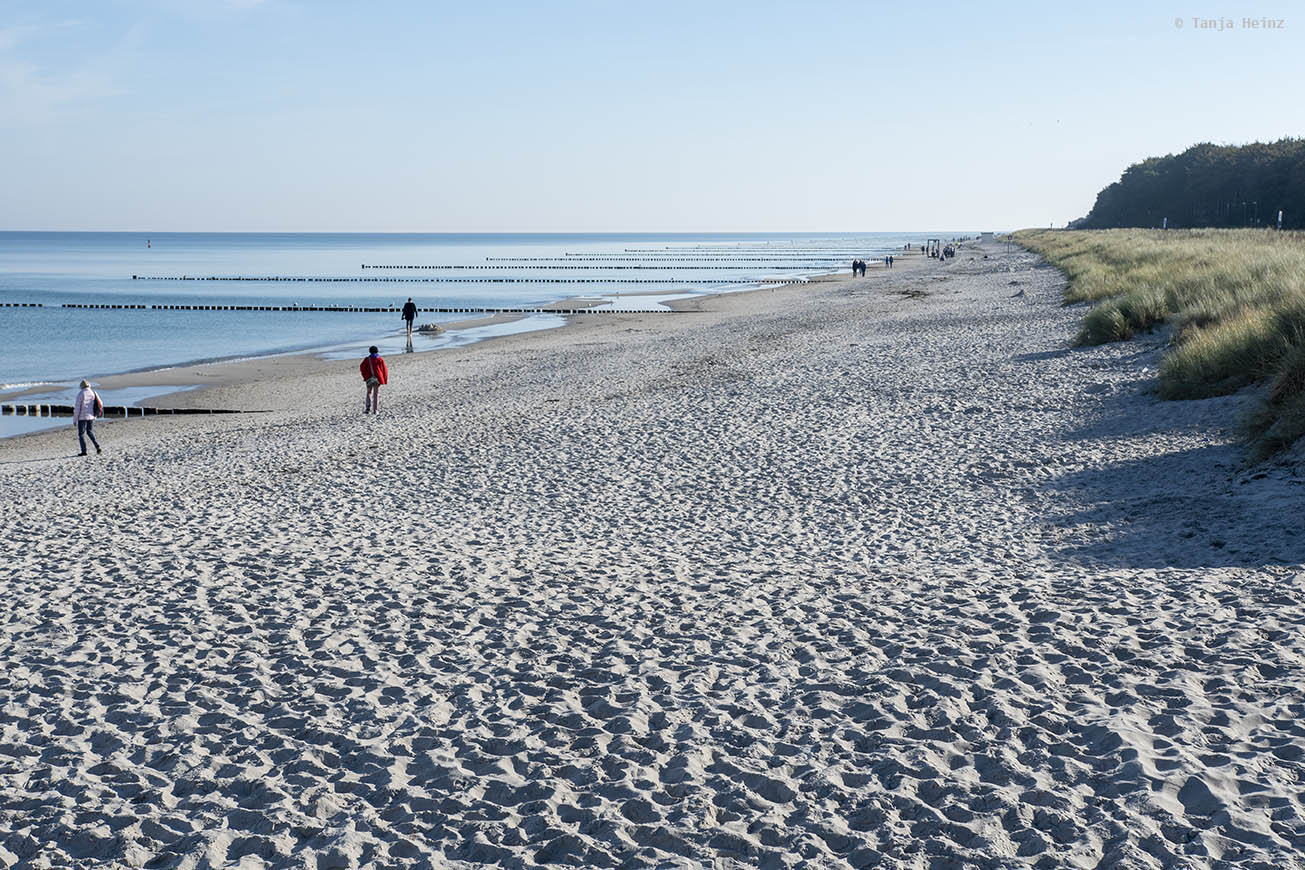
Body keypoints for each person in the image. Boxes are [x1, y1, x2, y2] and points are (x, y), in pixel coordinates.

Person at [73, 380, 102, 456]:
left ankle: (84, 451)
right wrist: (95, 415)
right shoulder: (93, 392)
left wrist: (75, 420)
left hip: (82, 417)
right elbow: (100, 403)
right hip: (91, 416)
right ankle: (97, 446)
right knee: (90, 432)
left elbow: (77, 408)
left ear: (81, 386)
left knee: (81, 434)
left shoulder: (81, 394)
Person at [360, 346, 388, 415]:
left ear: (370, 351)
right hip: (378, 378)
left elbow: (362, 368)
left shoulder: (367, 359)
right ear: (377, 351)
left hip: (369, 378)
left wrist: (365, 376)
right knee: (376, 393)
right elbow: (384, 370)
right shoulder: (379, 359)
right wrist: (384, 379)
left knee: (369, 392)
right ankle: (375, 410)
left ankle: (367, 408)